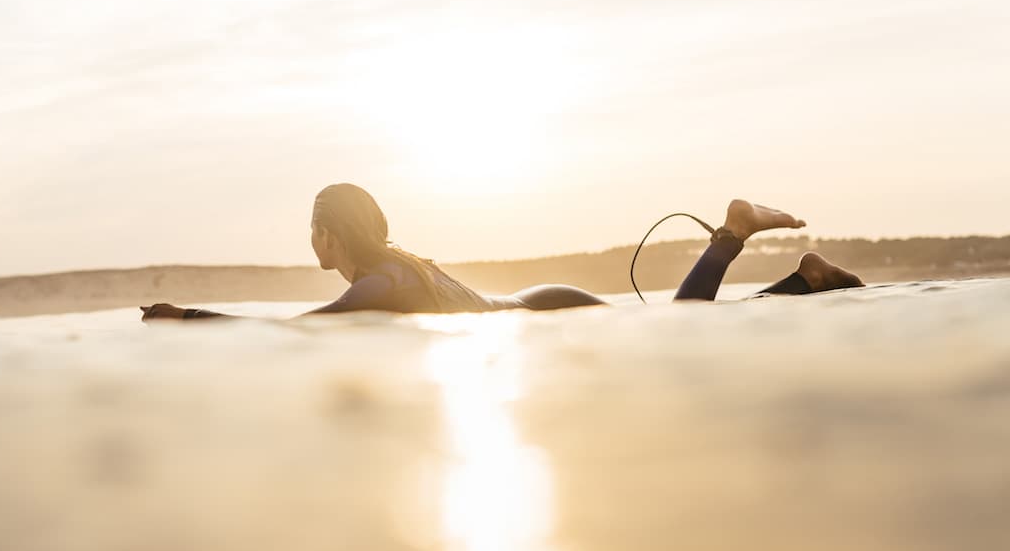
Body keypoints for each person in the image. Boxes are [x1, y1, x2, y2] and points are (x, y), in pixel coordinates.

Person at [140, 183, 863, 321]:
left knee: (684, 327)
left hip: (542, 318)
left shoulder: (381, 281)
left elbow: (301, 330)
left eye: (312, 226)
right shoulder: (398, 264)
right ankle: (804, 283)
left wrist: (192, 316)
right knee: (685, 324)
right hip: (540, 307)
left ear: (329, 234)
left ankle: (732, 234)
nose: (310, 240)